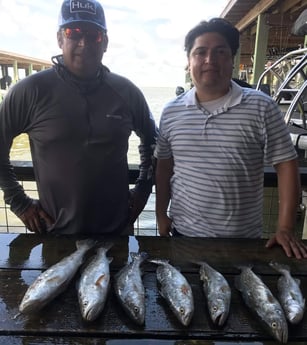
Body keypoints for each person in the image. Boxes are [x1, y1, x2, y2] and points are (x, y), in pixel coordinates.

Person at [0, 0, 158, 235]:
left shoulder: (127, 92)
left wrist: (143, 190)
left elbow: (153, 143)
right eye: (73, 32)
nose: (83, 42)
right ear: (59, 39)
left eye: (93, 34)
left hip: (117, 232)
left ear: (104, 42)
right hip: (54, 234)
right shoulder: (29, 92)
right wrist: (20, 202)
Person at [155, 18, 307, 259]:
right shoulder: (171, 111)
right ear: (188, 61)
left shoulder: (261, 106)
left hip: (244, 241)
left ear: (232, 59)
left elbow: (286, 164)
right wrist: (161, 213)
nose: (209, 60)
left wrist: (286, 228)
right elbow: (164, 166)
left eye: (220, 52)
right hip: (183, 235)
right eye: (200, 52)